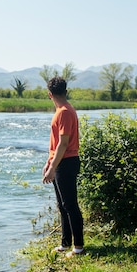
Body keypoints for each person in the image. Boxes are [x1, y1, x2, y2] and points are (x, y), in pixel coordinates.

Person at [42, 76, 84, 257]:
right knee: (62, 205)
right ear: (65, 92)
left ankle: (79, 248)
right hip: (60, 161)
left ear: (49, 94)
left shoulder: (65, 112)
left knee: (70, 205)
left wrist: (52, 168)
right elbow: (56, 143)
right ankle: (65, 244)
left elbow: (63, 144)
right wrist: (49, 162)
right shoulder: (62, 110)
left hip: (66, 162)